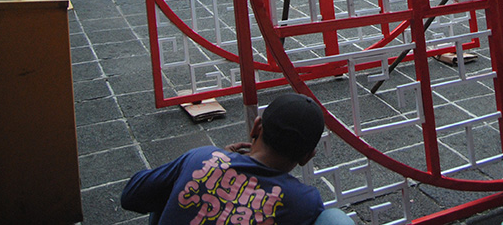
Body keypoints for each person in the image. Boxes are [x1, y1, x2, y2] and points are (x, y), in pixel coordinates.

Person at [121, 92, 354, 225]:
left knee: (170, 182)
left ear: (256, 127)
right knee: (334, 219)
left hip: (205, 164)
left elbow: (131, 196)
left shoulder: (202, 157)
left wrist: (213, 162)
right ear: (307, 156)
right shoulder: (303, 201)